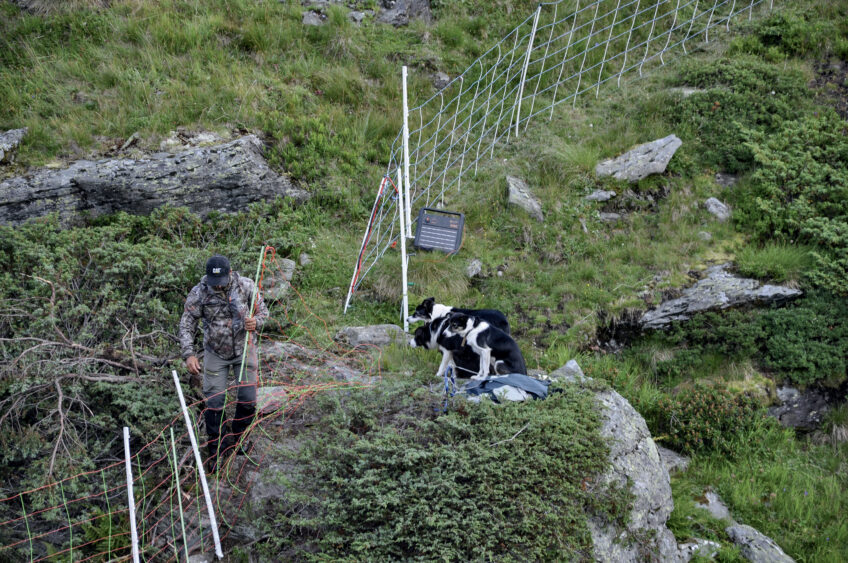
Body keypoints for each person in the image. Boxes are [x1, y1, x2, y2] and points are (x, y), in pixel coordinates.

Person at [179, 255, 268, 472]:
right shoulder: (199, 292)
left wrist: (256, 322)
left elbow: (264, 312)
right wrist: (189, 354)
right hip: (215, 353)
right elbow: (187, 322)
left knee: (248, 400)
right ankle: (215, 450)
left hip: (244, 349)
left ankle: (237, 439)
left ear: (230, 273)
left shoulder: (246, 285)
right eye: (213, 281)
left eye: (220, 280)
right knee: (215, 402)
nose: (216, 285)